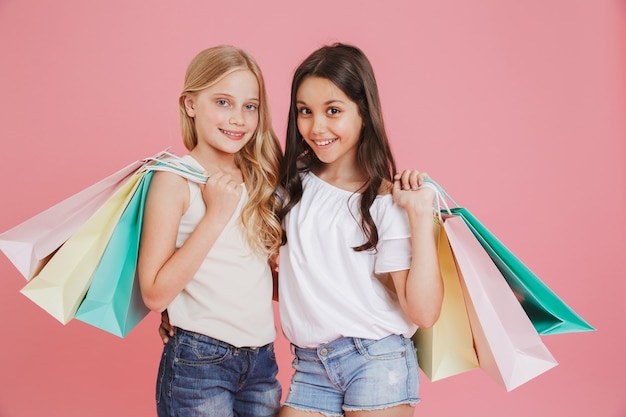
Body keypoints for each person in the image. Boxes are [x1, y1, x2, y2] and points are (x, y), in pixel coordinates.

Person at [276, 43, 444, 417]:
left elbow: (424, 312)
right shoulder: (290, 187)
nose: (316, 127)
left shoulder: (385, 201)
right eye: (305, 111)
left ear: (364, 113)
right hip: (309, 365)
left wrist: (418, 215)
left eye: (333, 111)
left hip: (376, 359)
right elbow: (289, 277)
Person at [138, 45, 283, 417]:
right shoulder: (174, 178)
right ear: (190, 104)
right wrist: (216, 215)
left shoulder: (261, 178)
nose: (238, 119)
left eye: (250, 106)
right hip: (199, 363)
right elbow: (154, 292)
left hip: (262, 361)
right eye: (223, 102)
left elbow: (252, 278)